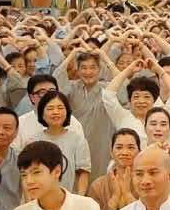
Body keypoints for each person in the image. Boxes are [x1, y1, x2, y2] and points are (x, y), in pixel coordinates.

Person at [54, 49, 115, 178]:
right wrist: (73, 53)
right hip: (76, 143)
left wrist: (105, 56)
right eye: (83, 68)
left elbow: (125, 87)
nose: (88, 72)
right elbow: (57, 78)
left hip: (100, 144)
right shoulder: (71, 88)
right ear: (78, 70)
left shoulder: (108, 88)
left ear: (100, 69)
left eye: (93, 67)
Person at [30, 91, 91, 194]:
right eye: (50, 109)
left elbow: (83, 172)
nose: (55, 112)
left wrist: (80, 197)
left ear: (67, 111)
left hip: (70, 200)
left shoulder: (78, 140)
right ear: (42, 113)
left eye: (60, 108)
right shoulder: (34, 141)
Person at [13, 74, 84, 150]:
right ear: (32, 97)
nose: (48, 96)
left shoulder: (72, 122)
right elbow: (14, 153)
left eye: (52, 91)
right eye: (42, 92)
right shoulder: (20, 123)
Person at [88, 129, 141, 210]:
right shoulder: (98, 185)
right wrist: (115, 197)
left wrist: (127, 194)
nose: (124, 153)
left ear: (139, 152)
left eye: (131, 148)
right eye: (119, 147)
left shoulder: (146, 182)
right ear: (111, 152)